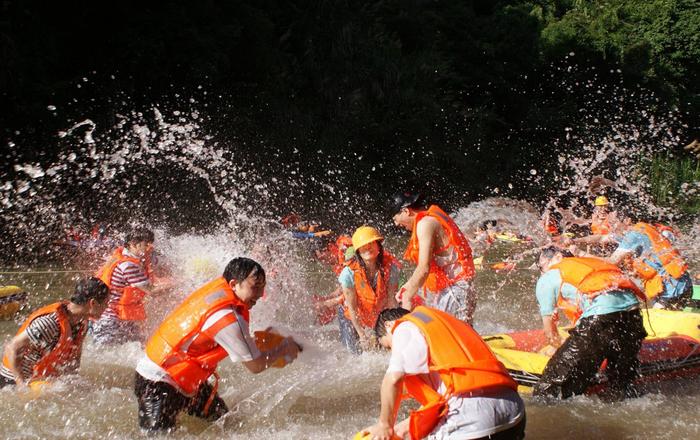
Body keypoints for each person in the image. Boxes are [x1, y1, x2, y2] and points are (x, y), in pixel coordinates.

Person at [133, 257, 301, 432]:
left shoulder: (219, 291)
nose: (260, 294)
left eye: (263, 287)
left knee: (226, 423)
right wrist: (283, 349)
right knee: (160, 436)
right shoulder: (226, 317)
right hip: (157, 380)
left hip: (183, 376)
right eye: (255, 287)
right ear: (234, 283)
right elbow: (256, 365)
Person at [361, 307, 525, 440]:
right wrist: (399, 431)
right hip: (513, 412)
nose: (392, 351)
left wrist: (384, 425)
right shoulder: (443, 324)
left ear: (389, 325)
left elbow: (393, 379)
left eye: (388, 346)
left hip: (472, 422)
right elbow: (441, 400)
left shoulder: (403, 328)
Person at [532, 247, 647, 400]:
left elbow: (550, 332)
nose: (541, 271)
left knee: (547, 389)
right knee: (619, 387)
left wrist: (557, 348)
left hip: (601, 318)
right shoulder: (592, 265)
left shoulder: (549, 276)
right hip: (633, 317)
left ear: (558, 257)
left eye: (540, 266)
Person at [1, 277, 109, 388]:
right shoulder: (49, 323)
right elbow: (11, 348)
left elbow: (74, 360)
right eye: (106, 303)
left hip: (39, 378)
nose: (107, 307)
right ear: (93, 303)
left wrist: (74, 383)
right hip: (11, 380)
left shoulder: (82, 322)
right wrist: (22, 385)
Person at [390, 192, 477, 322]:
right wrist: (407, 286)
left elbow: (424, 268)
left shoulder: (425, 224)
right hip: (462, 288)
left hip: (455, 291)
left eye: (395, 218)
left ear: (406, 211)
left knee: (447, 337)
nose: (396, 224)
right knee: (461, 334)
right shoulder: (431, 218)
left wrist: (407, 296)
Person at [337, 226, 400, 354]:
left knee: (384, 349)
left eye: (371, 243)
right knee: (354, 355)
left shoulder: (391, 269)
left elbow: (391, 301)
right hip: (350, 315)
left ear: (379, 247)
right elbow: (352, 308)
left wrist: (394, 327)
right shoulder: (348, 274)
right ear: (358, 251)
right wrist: (361, 334)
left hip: (374, 312)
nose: (367, 247)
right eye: (363, 245)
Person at [92, 227, 157, 345]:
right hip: (110, 323)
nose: (149, 249)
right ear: (134, 244)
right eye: (146, 245)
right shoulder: (128, 265)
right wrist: (186, 283)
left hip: (115, 319)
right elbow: (152, 291)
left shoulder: (122, 256)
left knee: (144, 344)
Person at [608, 221, 692, 309]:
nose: (611, 225)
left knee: (657, 319)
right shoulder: (641, 231)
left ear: (627, 220)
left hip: (674, 288)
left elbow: (612, 262)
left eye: (612, 220)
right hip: (677, 285)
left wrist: (592, 259)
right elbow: (603, 238)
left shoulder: (634, 235)